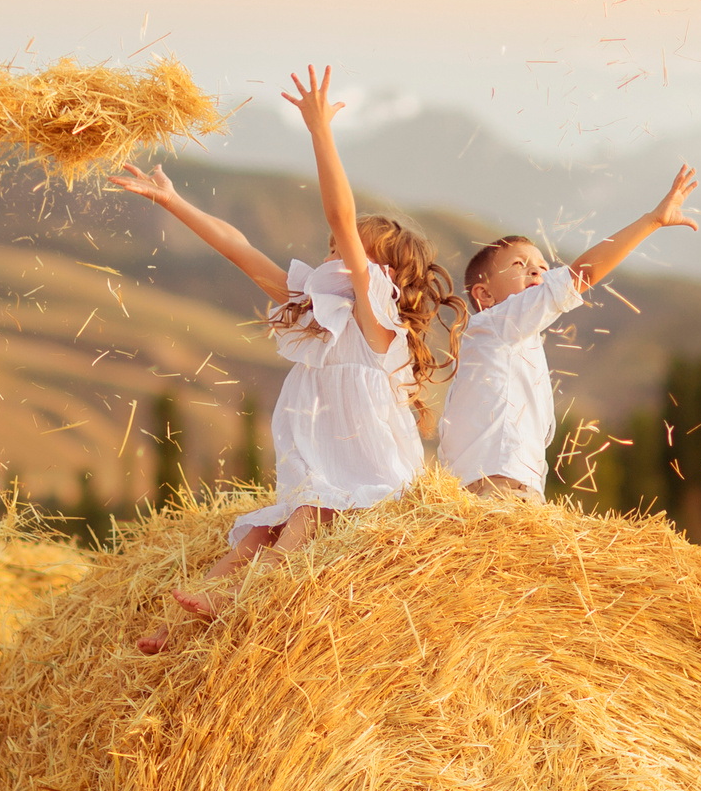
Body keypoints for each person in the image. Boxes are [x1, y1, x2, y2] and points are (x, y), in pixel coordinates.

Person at [108, 65, 458, 649]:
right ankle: (180, 623)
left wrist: (320, 131)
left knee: (297, 523)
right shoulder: (322, 314)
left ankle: (246, 614)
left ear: (385, 276)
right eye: (331, 251)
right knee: (259, 534)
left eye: (347, 253)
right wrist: (172, 201)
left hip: (368, 474)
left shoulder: (377, 321)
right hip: (322, 467)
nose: (332, 255)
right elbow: (243, 252)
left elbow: (341, 217)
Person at [440, 165, 700, 501]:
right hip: (497, 485)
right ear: (484, 295)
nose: (537, 269)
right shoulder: (496, 325)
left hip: (502, 485)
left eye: (543, 266)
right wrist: (652, 220)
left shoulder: (511, 342)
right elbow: (582, 275)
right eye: (520, 264)